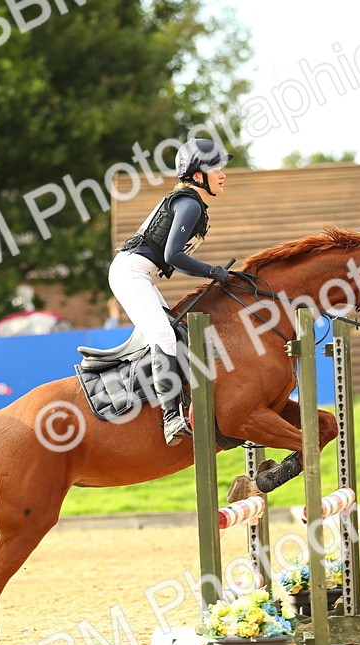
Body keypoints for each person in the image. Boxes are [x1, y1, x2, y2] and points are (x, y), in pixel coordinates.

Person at [109, 138, 233, 446]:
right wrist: (212, 271)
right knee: (164, 337)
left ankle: (182, 405)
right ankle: (170, 419)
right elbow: (173, 256)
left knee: (176, 334)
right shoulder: (189, 204)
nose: (223, 174)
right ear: (197, 175)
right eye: (216, 167)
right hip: (131, 272)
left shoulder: (192, 203)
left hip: (141, 274)